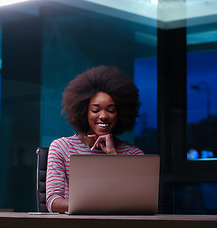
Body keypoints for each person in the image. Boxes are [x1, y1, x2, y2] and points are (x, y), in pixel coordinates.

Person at [45, 65, 144, 213]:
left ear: (121, 113)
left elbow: (139, 203)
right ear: (83, 111)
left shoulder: (134, 155)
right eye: (95, 110)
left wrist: (113, 156)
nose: (103, 116)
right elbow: (53, 202)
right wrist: (99, 204)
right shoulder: (61, 147)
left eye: (111, 110)